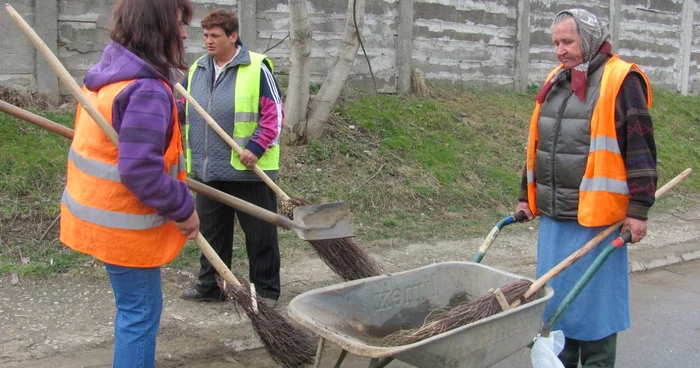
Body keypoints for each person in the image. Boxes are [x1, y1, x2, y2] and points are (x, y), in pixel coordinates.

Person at [58, 0, 199, 366]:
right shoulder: (146, 90)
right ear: (159, 28)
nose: (185, 33)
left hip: (100, 218)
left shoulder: (110, 74)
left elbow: (128, 129)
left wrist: (171, 111)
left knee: (133, 308)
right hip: (126, 228)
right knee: (141, 313)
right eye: (180, 24)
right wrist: (183, 209)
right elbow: (141, 171)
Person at [515, 9, 657, 368]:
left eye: (568, 42)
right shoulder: (557, 79)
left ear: (590, 40)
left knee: (594, 309)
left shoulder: (621, 79)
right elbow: (540, 145)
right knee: (558, 305)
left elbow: (639, 145)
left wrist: (638, 209)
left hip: (597, 219)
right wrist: (525, 196)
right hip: (555, 219)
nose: (560, 50)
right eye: (556, 43)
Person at [179, 9, 284, 308]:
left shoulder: (256, 67)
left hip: (248, 170)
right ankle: (212, 286)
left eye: (215, 35)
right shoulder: (198, 68)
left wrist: (257, 146)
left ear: (233, 36)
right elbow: (181, 107)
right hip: (208, 169)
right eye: (206, 35)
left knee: (260, 235)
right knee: (211, 234)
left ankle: (265, 292)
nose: (208, 41)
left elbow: (273, 113)